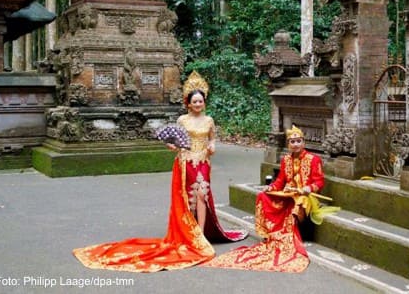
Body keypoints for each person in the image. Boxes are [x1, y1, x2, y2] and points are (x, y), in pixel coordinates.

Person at [73, 71, 246, 272]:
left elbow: (213, 138)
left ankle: (201, 234)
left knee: (202, 195)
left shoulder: (209, 120)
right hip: (185, 160)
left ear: (204, 102)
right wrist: (172, 146)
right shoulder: (182, 120)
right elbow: (174, 141)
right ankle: (190, 233)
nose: (198, 104)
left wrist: (212, 147)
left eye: (201, 101)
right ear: (188, 104)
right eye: (195, 102)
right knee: (189, 197)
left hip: (203, 160)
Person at [206, 125, 335, 273]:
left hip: (305, 196)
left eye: (298, 141)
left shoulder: (314, 159)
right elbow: (280, 180)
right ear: (288, 144)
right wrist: (271, 188)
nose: (296, 144)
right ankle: (271, 233)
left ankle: (290, 234)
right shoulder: (285, 159)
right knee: (263, 196)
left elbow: (319, 182)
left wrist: (307, 189)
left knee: (298, 203)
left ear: (304, 143)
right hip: (288, 193)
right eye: (292, 142)